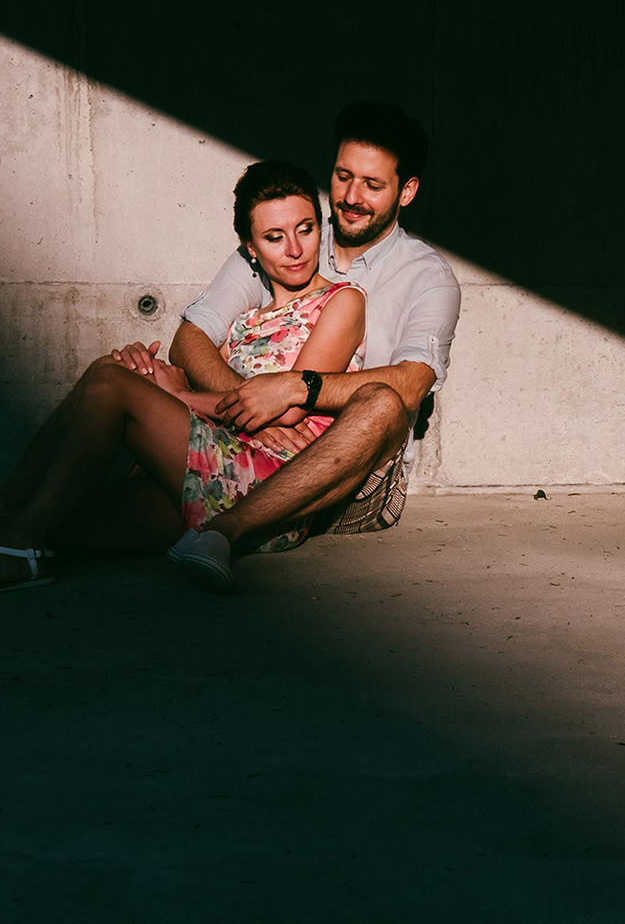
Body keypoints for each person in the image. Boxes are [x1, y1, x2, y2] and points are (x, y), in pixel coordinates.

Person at [0, 159, 367, 596]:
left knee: (109, 384)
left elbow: (288, 404)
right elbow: (217, 394)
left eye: (305, 229)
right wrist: (154, 373)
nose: (295, 249)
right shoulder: (247, 319)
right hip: (218, 464)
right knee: (67, 502)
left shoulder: (342, 302)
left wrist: (170, 391)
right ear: (250, 248)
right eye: (274, 237)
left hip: (270, 485)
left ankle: (14, 535)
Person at [132, 101, 462, 592]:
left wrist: (294, 389)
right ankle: (15, 534)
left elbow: (412, 384)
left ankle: (225, 532)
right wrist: (255, 413)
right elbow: (192, 337)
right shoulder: (290, 231)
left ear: (406, 191)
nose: (351, 197)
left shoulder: (428, 278)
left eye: (372, 185)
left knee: (385, 404)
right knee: (124, 386)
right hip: (249, 443)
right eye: (343, 177)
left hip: (352, 478)